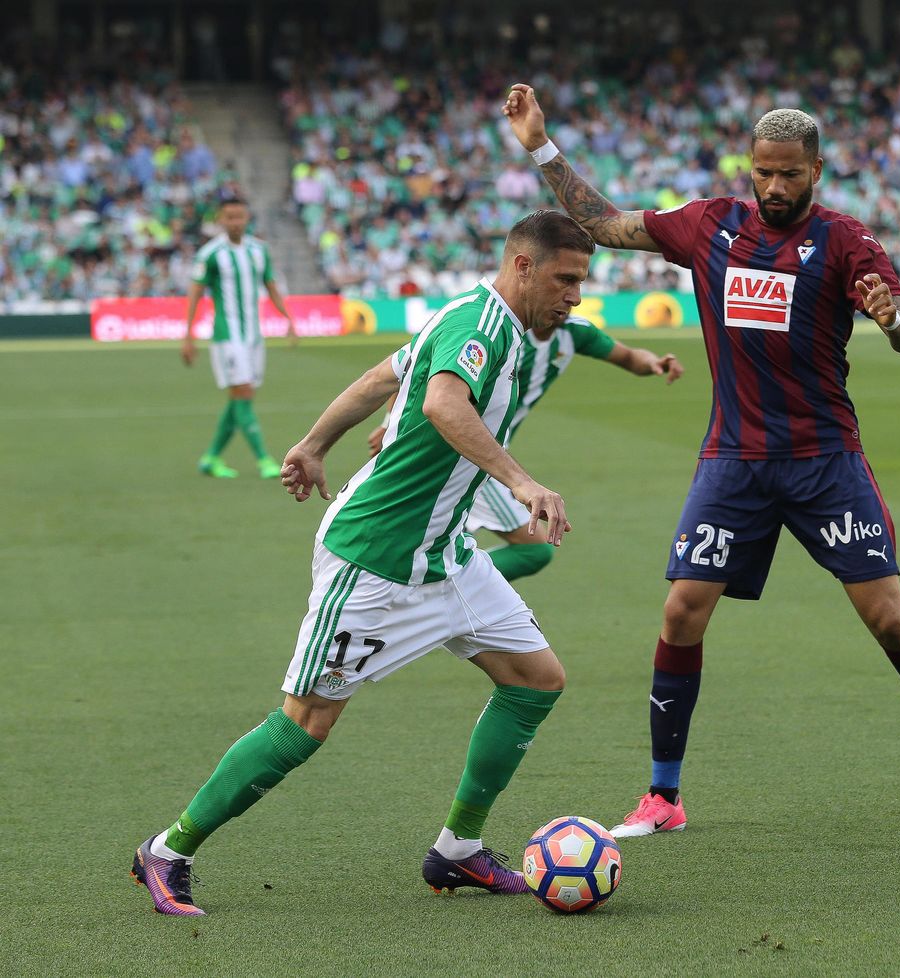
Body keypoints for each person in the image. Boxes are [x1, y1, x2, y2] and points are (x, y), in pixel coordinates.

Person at [500, 83, 900, 836]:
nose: (775, 186)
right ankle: (664, 796)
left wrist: (895, 322)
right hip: (735, 460)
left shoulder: (847, 242)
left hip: (825, 459)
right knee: (681, 610)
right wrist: (540, 145)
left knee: (889, 620)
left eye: (790, 173)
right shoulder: (709, 227)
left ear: (815, 171)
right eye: (763, 171)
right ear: (749, 166)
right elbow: (601, 222)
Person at [132, 210, 590, 915]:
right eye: (566, 279)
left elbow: (385, 376)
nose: (575, 297)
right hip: (375, 558)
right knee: (305, 723)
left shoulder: (486, 321)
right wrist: (521, 483)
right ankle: (167, 850)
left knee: (535, 681)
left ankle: (457, 851)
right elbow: (441, 401)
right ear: (523, 266)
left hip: (445, 555)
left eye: (582, 283)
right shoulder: (481, 326)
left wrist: (316, 443)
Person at [368, 315, 684, 583]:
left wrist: (653, 362)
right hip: (467, 453)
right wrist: (389, 422)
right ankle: (439, 590)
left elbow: (628, 357)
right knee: (531, 548)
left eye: (575, 285)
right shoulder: (502, 333)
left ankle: (428, 587)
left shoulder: (575, 332)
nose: (570, 297)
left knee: (424, 538)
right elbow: (419, 371)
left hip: (488, 453)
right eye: (562, 282)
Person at [181, 197, 298, 479]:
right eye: (229, 217)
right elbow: (195, 292)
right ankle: (264, 460)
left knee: (241, 399)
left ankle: (211, 458)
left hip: (253, 336)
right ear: (221, 219)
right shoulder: (211, 253)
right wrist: (188, 335)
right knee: (242, 393)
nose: (235, 222)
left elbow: (270, 286)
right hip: (227, 336)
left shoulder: (259, 250)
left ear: (247, 218)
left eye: (240, 217)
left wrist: (288, 318)